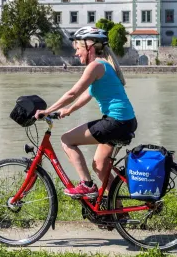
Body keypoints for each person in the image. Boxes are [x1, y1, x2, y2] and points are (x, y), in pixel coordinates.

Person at [35, 26, 137, 198]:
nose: (76, 54)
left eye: (78, 49)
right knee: (100, 166)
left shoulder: (95, 67)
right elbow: (88, 94)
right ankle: (117, 213)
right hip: (125, 121)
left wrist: (47, 111)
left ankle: (87, 185)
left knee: (66, 139)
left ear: (89, 47)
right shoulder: (105, 66)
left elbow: (72, 93)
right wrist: (68, 110)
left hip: (115, 121)